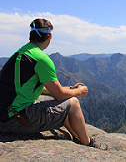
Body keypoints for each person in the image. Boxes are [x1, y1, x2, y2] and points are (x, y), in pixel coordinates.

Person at [0, 18, 94, 146]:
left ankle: (75, 136)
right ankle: (88, 145)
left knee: (61, 101)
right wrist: (78, 91)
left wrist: (71, 89)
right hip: (15, 120)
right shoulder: (42, 59)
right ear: (49, 37)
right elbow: (59, 95)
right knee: (73, 104)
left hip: (5, 117)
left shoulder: (21, 53)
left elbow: (43, 89)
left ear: (31, 36)